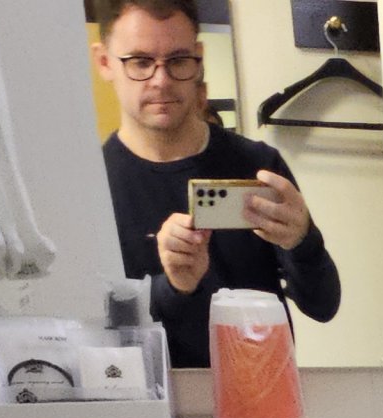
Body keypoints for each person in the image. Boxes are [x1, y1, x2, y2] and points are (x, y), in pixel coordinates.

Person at [93, 0, 341, 368]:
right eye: (141, 62)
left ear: (199, 57)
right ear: (104, 62)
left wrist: (303, 241)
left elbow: (323, 305)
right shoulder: (91, 186)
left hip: (261, 393)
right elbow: (92, 326)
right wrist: (174, 286)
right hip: (141, 398)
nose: (161, 80)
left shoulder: (258, 166)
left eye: (178, 60)